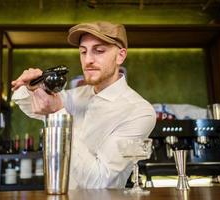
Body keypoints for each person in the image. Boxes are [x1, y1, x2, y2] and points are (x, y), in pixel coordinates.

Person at [11, 21, 156, 189]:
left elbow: (100, 182)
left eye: (99, 50)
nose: (88, 60)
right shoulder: (77, 95)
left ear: (120, 56)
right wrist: (32, 87)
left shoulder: (139, 111)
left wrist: (59, 113)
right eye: (83, 51)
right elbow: (30, 105)